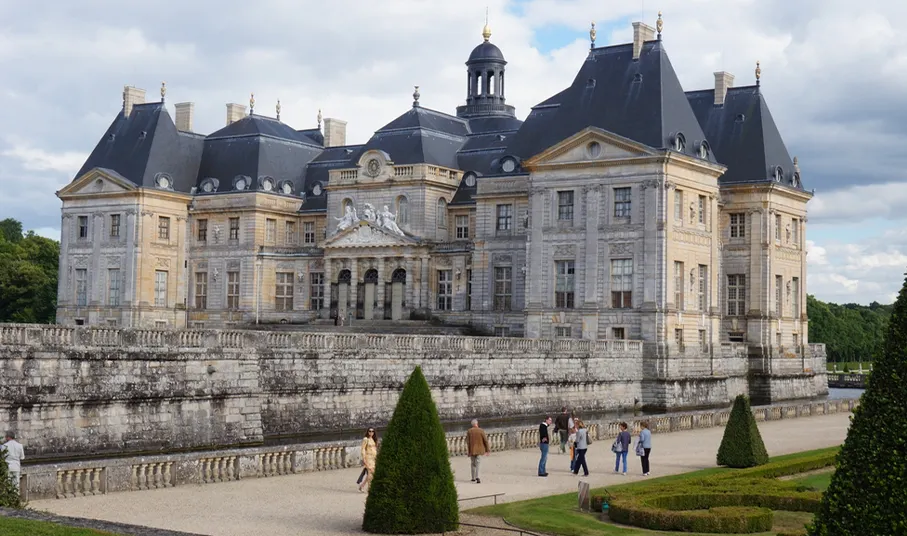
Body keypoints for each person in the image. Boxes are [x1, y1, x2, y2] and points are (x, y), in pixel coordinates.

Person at [466, 419, 490, 484]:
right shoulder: (481, 430)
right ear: (477, 424)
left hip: (472, 450)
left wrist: (468, 451)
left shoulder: (469, 431)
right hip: (479, 450)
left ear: (472, 425)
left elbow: (468, 442)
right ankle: (478, 477)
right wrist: (487, 450)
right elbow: (485, 441)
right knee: (478, 463)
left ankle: (473, 477)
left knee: (473, 463)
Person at [358, 428, 378, 492]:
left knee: (372, 472)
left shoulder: (373, 439)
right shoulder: (365, 439)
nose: (371, 432)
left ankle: (362, 486)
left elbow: (375, 449)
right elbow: (363, 449)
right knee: (371, 472)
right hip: (368, 458)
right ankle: (370, 488)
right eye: (370, 431)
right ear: (368, 432)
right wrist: (364, 458)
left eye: (372, 431)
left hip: (373, 458)